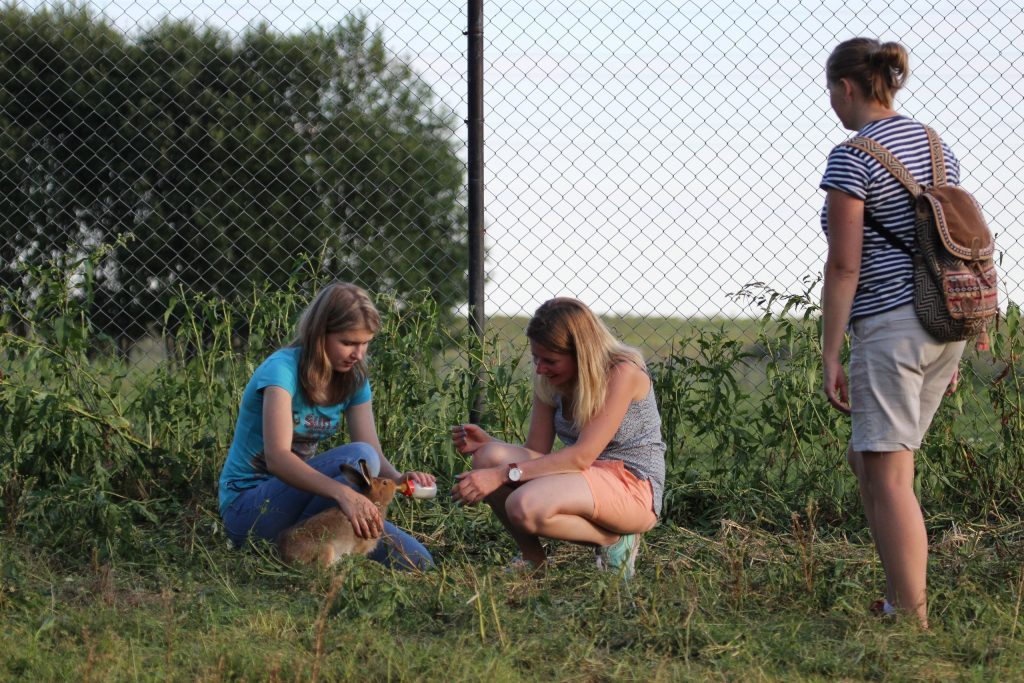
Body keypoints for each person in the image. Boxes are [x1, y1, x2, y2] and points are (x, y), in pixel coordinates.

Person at [819, 38, 965, 627]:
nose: (830, 103)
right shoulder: (937, 148)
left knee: (890, 474)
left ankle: (911, 615)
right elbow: (949, 246)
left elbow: (844, 265)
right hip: (943, 322)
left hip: (890, 326)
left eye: (831, 92)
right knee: (869, 462)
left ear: (846, 88)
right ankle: (900, 597)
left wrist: (831, 352)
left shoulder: (852, 157)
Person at [218, 282, 434, 570]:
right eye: (348, 342)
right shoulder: (281, 371)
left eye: (365, 343)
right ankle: (282, 550)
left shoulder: (354, 378)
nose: (358, 353)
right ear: (319, 334)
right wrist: (343, 494)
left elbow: (375, 455)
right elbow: (278, 459)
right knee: (358, 454)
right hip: (251, 509)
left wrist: (399, 479)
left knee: (416, 561)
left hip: (306, 510)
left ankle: (306, 552)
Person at [450, 297, 666, 578]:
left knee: (523, 506)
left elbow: (580, 457)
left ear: (582, 353)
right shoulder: (550, 379)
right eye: (536, 358)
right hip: (585, 475)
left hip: (633, 487)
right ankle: (533, 561)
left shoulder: (621, 373)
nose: (539, 368)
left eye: (550, 360)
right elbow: (536, 451)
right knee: (487, 458)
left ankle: (615, 540)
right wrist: (490, 445)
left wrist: (501, 475)